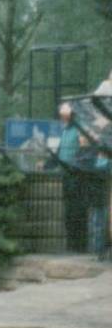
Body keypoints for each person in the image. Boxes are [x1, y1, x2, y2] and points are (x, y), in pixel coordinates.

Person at [58, 97, 111, 258]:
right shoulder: (76, 136)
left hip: (95, 188)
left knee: (98, 220)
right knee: (94, 219)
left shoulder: (95, 144)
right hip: (90, 187)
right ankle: (94, 249)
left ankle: (97, 250)